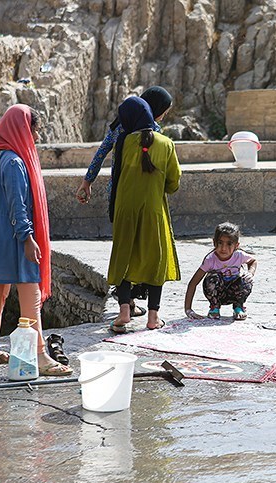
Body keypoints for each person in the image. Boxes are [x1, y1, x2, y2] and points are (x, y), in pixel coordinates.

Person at [0, 104, 71, 375]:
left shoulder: (1, 157)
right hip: (16, 237)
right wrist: (28, 238)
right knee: (31, 292)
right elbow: (18, 207)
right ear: (22, 129)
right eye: (35, 130)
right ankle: (40, 354)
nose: (37, 137)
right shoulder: (16, 163)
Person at [76, 86, 173, 318]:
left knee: (124, 247)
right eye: (164, 111)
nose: (163, 116)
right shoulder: (154, 133)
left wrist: (87, 181)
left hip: (119, 199)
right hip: (146, 201)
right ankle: (139, 306)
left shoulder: (120, 125)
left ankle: (126, 304)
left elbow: (101, 152)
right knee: (144, 250)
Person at [107, 96, 182, 334]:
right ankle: (153, 317)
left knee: (123, 257)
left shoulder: (126, 141)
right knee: (155, 259)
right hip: (154, 210)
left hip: (125, 209)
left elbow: (116, 175)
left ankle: (123, 314)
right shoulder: (166, 143)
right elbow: (173, 183)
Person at [183, 222, 257, 321]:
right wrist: (188, 309)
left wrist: (250, 272)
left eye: (229, 244)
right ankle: (214, 307)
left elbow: (253, 261)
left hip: (234, 293)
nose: (223, 248)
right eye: (220, 243)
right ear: (214, 242)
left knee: (246, 280)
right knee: (212, 277)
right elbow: (193, 283)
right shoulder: (210, 259)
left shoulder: (239, 255)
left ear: (236, 245)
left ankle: (238, 307)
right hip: (217, 293)